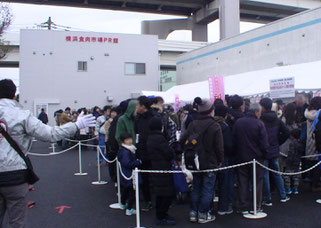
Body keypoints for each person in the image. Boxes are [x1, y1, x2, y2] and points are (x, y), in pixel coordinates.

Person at [0, 79, 96, 228]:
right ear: (14, 96)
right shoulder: (22, 115)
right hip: (15, 176)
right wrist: (77, 125)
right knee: (17, 222)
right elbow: (50, 134)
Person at [180, 97, 224, 224]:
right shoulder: (215, 125)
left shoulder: (193, 124)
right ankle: (204, 214)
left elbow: (182, 140)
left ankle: (193, 212)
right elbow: (219, 147)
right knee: (208, 189)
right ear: (211, 111)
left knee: (196, 188)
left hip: (195, 162)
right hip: (210, 162)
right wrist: (220, 160)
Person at [233, 103, 269, 214]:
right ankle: (256, 205)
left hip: (241, 157)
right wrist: (265, 153)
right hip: (257, 157)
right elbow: (264, 143)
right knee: (257, 182)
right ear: (257, 112)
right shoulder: (259, 124)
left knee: (242, 182)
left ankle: (243, 206)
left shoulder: (238, 122)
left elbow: (234, 139)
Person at [259, 98, 290, 206]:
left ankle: (268, 199)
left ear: (262, 107)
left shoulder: (260, 120)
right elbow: (286, 132)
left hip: (264, 150)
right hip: (274, 149)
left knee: (266, 174)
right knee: (277, 173)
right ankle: (283, 195)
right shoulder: (277, 119)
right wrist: (278, 142)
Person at [147, 116, 176, 226]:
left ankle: (161, 214)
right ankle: (161, 216)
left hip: (156, 167)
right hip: (163, 168)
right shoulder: (159, 138)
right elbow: (168, 153)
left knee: (160, 194)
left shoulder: (150, 137)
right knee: (168, 194)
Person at [214, 104, 234, 215]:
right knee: (224, 182)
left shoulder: (211, 124)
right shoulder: (224, 126)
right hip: (224, 157)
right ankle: (223, 207)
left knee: (211, 184)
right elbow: (228, 145)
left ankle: (206, 209)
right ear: (225, 115)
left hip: (211, 157)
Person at [135, 96, 154, 211]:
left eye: (137, 105)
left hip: (154, 151)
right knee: (144, 178)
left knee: (157, 176)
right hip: (141, 151)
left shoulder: (154, 117)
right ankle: (148, 200)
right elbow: (137, 133)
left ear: (143, 106)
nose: (136, 107)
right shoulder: (138, 118)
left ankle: (161, 200)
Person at [117, 132, 142, 216]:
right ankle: (129, 208)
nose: (130, 141)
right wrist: (137, 162)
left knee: (126, 190)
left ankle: (123, 204)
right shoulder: (126, 151)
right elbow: (127, 163)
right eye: (127, 140)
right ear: (123, 141)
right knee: (132, 192)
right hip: (129, 174)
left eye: (130, 139)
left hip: (126, 174)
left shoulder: (125, 149)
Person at [304, 97, 321, 191]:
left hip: (310, 140)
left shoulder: (308, 112)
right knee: (316, 164)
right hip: (316, 140)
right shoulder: (317, 114)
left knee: (312, 163)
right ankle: (316, 184)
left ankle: (312, 182)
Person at [283, 129, 304, 195]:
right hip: (297, 162)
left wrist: (287, 161)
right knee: (296, 176)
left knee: (287, 176)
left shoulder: (292, 143)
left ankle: (288, 188)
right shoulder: (300, 143)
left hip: (290, 162)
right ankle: (295, 189)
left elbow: (291, 153)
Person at [104, 107, 118, 184]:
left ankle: (115, 175)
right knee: (111, 160)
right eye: (111, 112)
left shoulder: (118, 121)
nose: (113, 113)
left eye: (114, 112)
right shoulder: (108, 122)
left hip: (114, 143)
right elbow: (107, 133)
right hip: (109, 142)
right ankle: (112, 175)